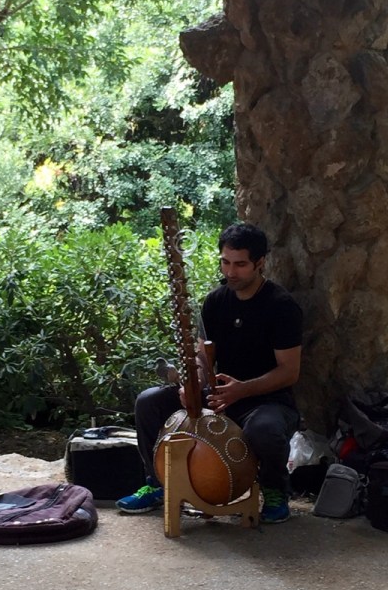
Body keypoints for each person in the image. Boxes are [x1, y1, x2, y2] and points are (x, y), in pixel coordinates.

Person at [116, 222, 303, 524]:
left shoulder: (281, 306)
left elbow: (289, 372)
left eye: (240, 264)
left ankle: (275, 491)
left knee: (265, 430)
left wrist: (242, 389)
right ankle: (158, 483)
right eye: (225, 262)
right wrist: (193, 383)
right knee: (149, 401)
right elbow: (203, 358)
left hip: (267, 401)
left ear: (260, 262)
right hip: (218, 395)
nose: (230, 272)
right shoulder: (216, 301)